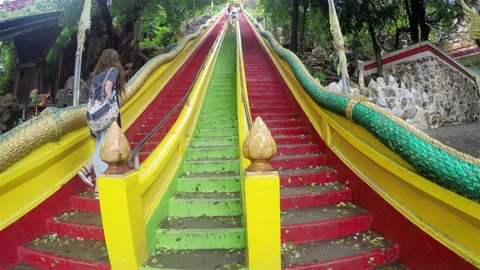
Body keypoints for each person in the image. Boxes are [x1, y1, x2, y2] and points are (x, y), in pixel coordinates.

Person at [77, 49, 125, 199]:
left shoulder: (97, 75)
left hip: (95, 116)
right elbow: (108, 87)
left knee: (101, 145)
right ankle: (98, 183)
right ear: (114, 59)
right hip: (106, 116)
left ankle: (88, 172)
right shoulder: (113, 71)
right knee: (106, 147)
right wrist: (111, 104)